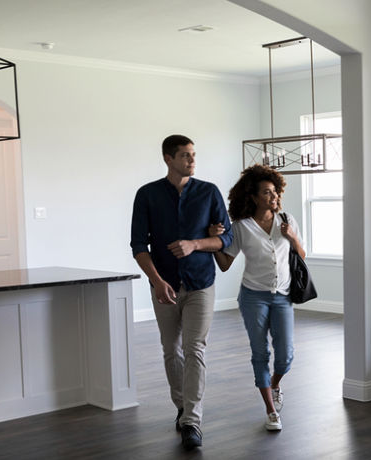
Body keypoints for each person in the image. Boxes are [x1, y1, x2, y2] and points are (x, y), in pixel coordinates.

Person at [130, 134, 233, 450]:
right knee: (170, 349)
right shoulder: (147, 195)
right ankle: (181, 406)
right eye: (186, 155)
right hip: (165, 285)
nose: (192, 160)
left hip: (201, 282)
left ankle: (192, 420)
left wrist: (196, 243)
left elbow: (226, 239)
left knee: (195, 348)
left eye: (193, 154)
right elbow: (138, 245)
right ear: (168, 158)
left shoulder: (209, 192)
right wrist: (157, 280)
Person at [208, 164, 303, 432]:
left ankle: (274, 385)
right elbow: (226, 263)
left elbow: (302, 256)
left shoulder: (287, 219)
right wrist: (211, 240)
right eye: (267, 193)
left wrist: (292, 236)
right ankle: (271, 411)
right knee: (260, 352)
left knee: (286, 356)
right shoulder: (241, 226)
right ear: (253, 196)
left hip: (283, 296)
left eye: (274, 191)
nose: (273, 197)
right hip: (253, 297)